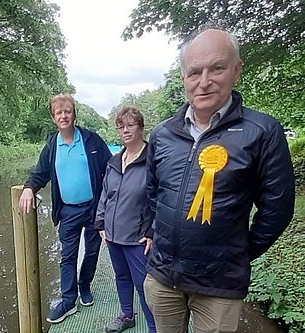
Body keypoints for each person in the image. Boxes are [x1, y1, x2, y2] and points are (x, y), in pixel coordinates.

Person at [143, 28, 295, 333]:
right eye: (194, 72)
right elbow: (152, 194)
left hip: (219, 285)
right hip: (163, 278)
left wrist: (239, 252)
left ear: (236, 70)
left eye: (217, 68)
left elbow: (277, 208)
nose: (204, 81)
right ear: (184, 78)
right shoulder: (162, 134)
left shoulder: (262, 132)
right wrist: (155, 237)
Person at [19, 93, 112, 324]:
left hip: (93, 209)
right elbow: (40, 173)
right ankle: (68, 300)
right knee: (67, 256)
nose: (64, 115)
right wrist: (29, 187)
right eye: (59, 112)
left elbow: (111, 169)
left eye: (67, 111)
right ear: (53, 118)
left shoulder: (91, 140)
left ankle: (85, 286)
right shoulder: (52, 145)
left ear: (74, 114)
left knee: (92, 251)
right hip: (68, 211)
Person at [96, 107, 156, 333]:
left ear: (141, 127)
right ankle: (127, 315)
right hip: (113, 234)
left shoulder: (153, 161)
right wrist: (100, 222)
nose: (125, 130)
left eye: (130, 125)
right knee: (121, 276)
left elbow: (162, 199)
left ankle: (154, 327)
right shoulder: (114, 161)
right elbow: (105, 194)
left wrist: (152, 230)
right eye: (121, 126)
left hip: (138, 237)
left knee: (143, 285)